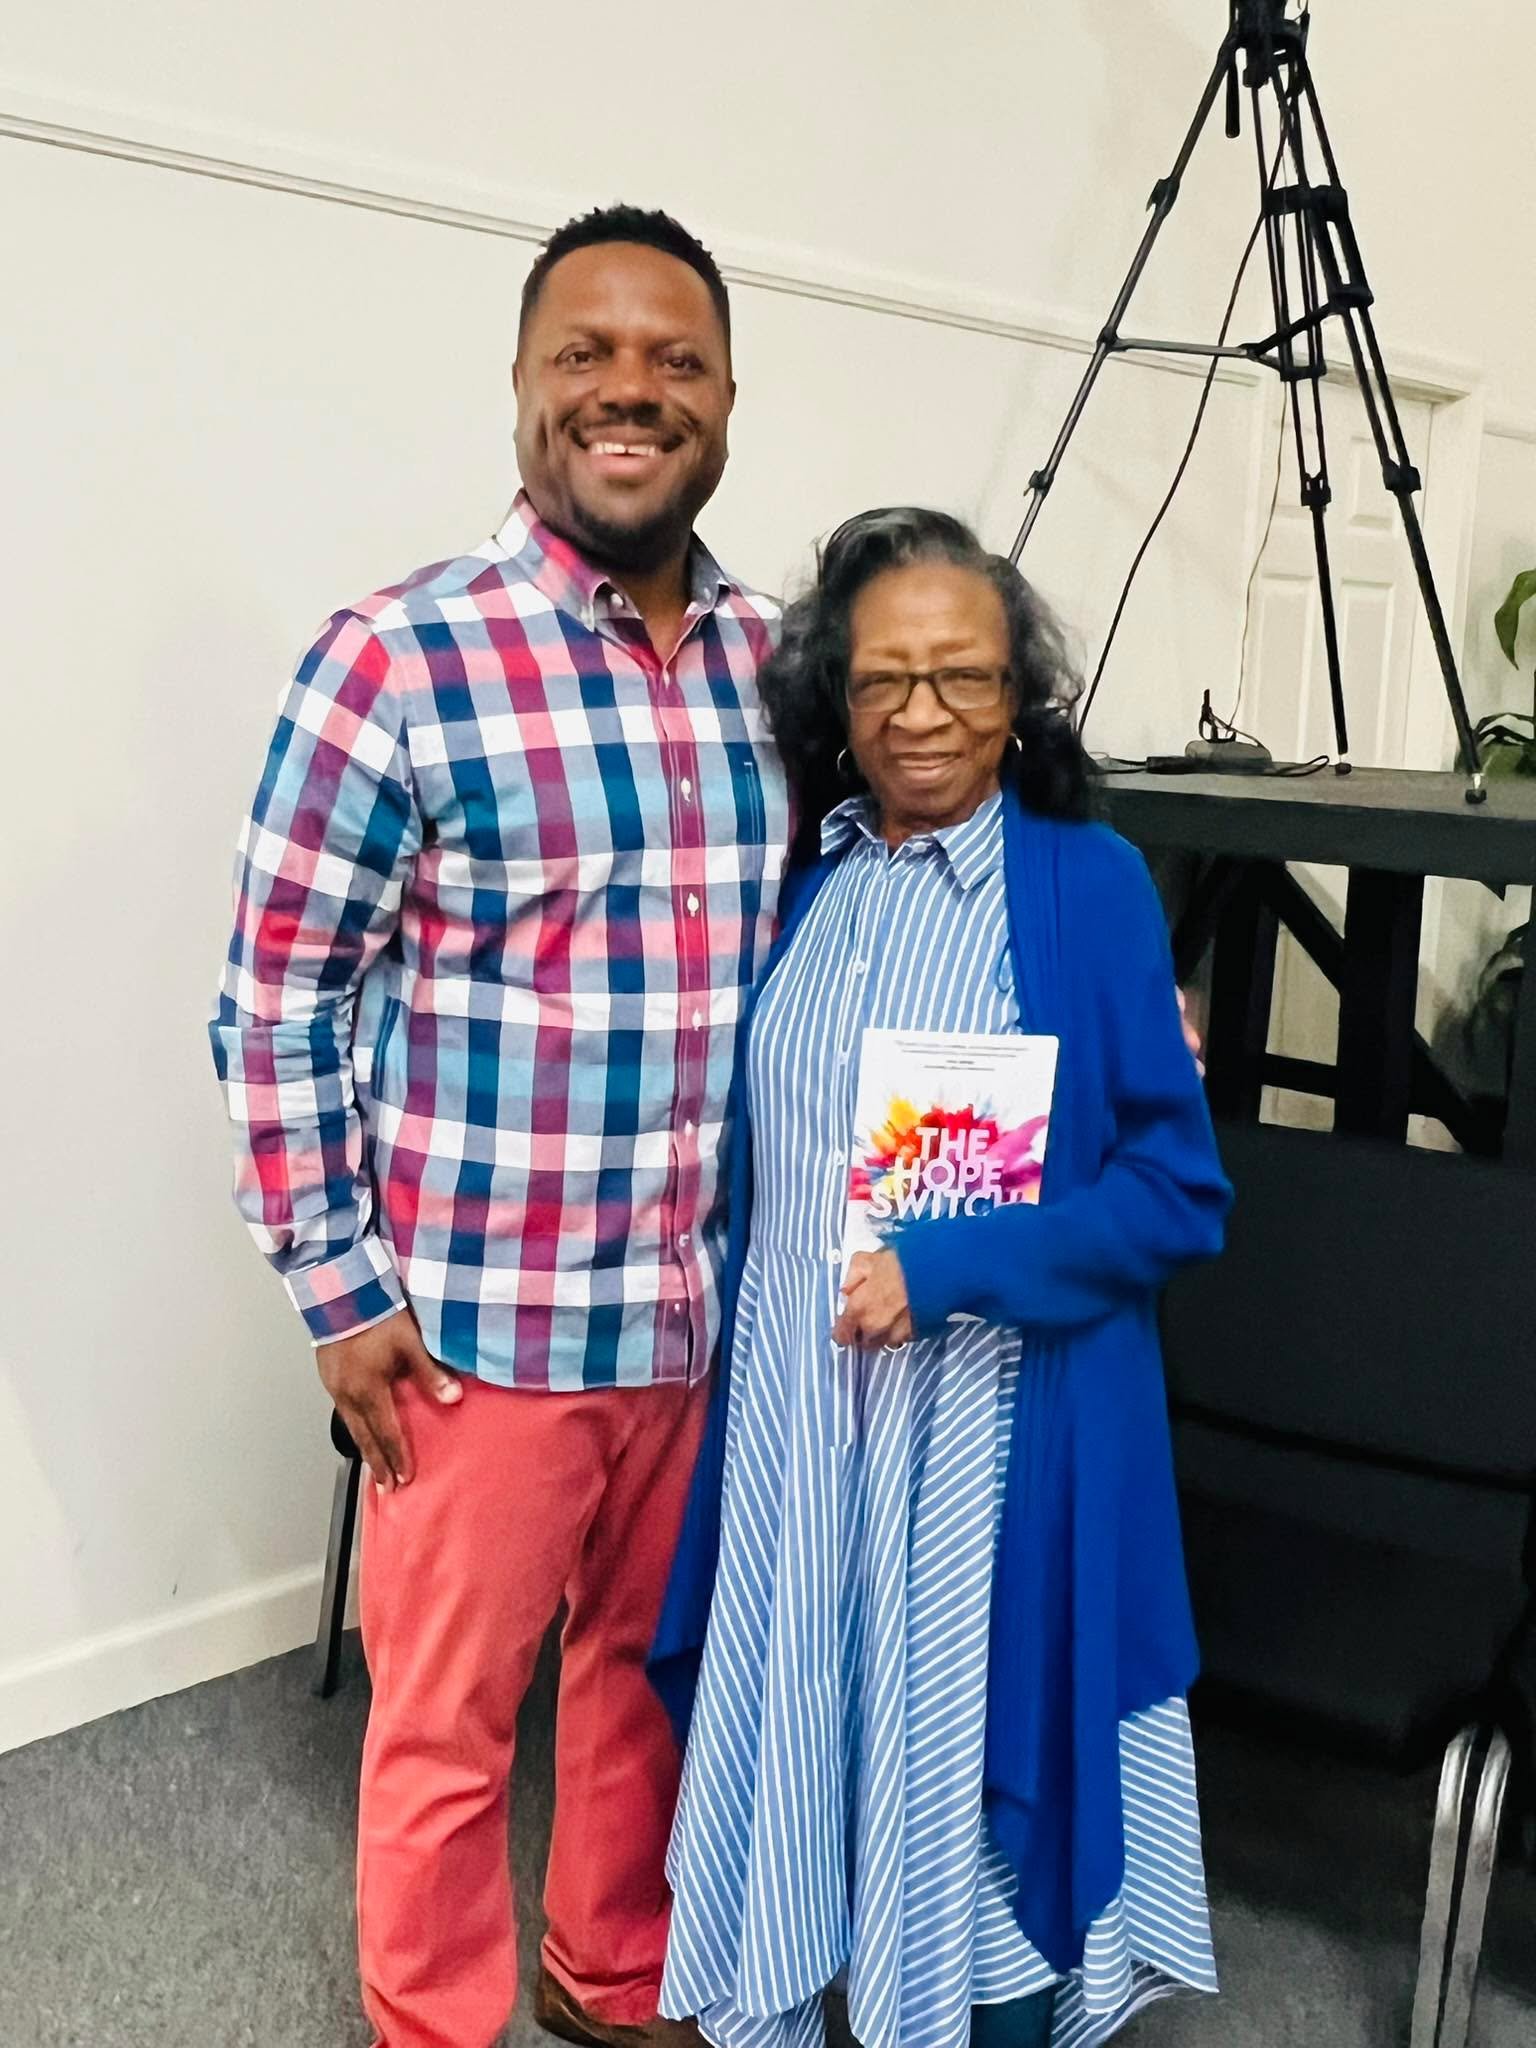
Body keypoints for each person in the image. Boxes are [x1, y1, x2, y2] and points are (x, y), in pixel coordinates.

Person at [210, 205, 789, 2048]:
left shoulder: (781, 665)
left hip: (709, 1309)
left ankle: (610, 1967)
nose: (632, 390)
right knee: (446, 1723)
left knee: (647, 1673)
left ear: (727, 399)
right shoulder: (397, 659)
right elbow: (274, 1003)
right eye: (586, 355)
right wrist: (337, 1291)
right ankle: (433, 2024)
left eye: (677, 360)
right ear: (524, 388)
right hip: (481, 1335)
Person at [649, 508, 1232, 2048]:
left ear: (1019, 693)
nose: (923, 714)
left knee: (973, 1795)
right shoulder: (813, 878)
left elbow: (1178, 1192)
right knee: (817, 1760)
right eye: (884, 679)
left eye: (963, 676)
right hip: (804, 1436)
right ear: (834, 699)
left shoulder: (1086, 884)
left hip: (985, 1448)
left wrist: (955, 1262)